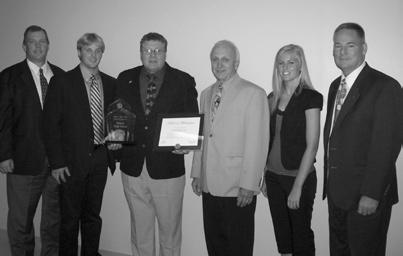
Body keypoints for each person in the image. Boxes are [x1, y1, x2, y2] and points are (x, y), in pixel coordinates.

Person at [115, 32, 198, 256]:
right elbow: (116, 116)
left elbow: (191, 120)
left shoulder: (183, 80)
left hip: (167, 169)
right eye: (147, 50)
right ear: (140, 52)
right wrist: (115, 140)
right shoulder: (124, 78)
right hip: (133, 168)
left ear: (165, 52)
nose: (152, 55)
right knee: (140, 231)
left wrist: (188, 144)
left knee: (169, 234)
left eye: (158, 50)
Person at [323, 22, 402, 256]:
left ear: (364, 48)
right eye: (337, 46)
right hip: (337, 193)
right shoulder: (335, 85)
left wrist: (372, 193)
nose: (342, 52)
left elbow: (387, 144)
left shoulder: (385, 86)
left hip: (365, 197)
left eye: (350, 45)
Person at [191, 40, 270, 256]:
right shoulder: (205, 94)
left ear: (236, 62)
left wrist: (249, 184)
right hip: (209, 183)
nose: (219, 64)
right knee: (214, 244)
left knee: (238, 246)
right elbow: (203, 136)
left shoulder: (254, 93)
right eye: (214, 59)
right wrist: (197, 173)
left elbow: (258, 142)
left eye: (225, 59)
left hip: (237, 185)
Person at [43, 33, 116, 256]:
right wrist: (57, 163)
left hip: (100, 158)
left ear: (102, 53)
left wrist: (117, 140)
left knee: (93, 216)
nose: (93, 55)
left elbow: (116, 120)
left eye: (98, 50)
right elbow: (49, 125)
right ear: (79, 52)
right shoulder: (62, 82)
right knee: (70, 218)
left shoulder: (111, 83)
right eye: (88, 50)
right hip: (70, 163)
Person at [0, 25, 64, 256]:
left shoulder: (61, 76)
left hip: (57, 164)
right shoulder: (9, 76)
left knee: (53, 220)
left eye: (42, 41)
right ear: (24, 45)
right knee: (21, 221)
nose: (37, 46)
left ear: (48, 44)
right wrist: (4, 154)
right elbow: (2, 118)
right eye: (32, 42)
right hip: (23, 160)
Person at [261, 44, 322, 256]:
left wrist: (297, 187)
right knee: (283, 236)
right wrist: (264, 175)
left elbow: (312, 145)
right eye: (280, 62)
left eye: (291, 62)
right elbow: (268, 140)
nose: (284, 67)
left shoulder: (311, 97)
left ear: (300, 65)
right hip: (274, 178)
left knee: (301, 237)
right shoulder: (272, 98)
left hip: (298, 178)